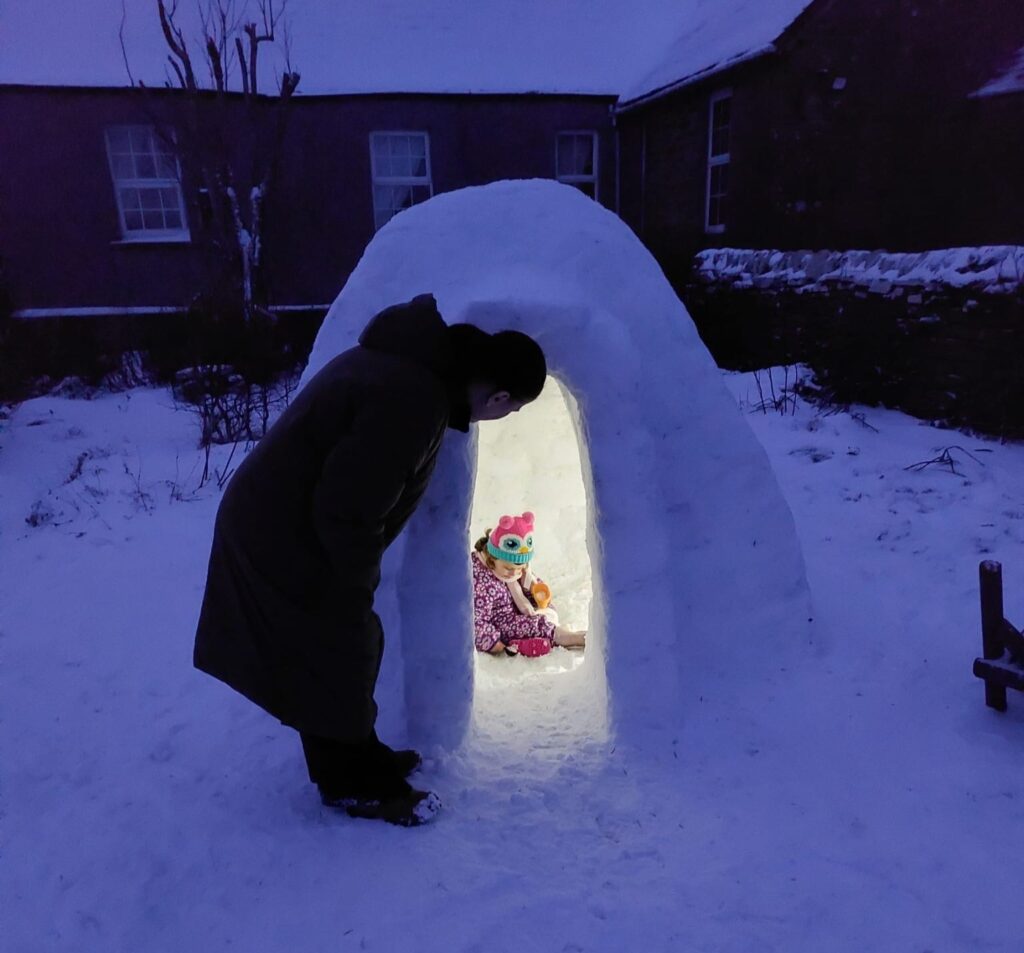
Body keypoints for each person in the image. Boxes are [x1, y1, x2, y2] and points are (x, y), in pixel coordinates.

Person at [192, 293, 546, 827]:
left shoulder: (413, 373)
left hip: (284, 518)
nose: (501, 417)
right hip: (279, 530)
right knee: (335, 648)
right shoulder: (413, 398)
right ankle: (350, 784)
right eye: (511, 409)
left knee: (338, 649)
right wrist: (354, 584)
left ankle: (361, 756)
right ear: (498, 395)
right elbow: (347, 509)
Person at [472, 512, 586, 657]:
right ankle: (569, 638)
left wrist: (533, 589)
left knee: (546, 609)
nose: (514, 573)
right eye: (509, 568)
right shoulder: (482, 584)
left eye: (520, 568)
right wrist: (493, 642)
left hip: (515, 609)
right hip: (501, 623)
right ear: (492, 557)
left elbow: (527, 581)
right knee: (533, 624)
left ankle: (530, 641)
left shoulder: (508, 567)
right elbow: (476, 620)